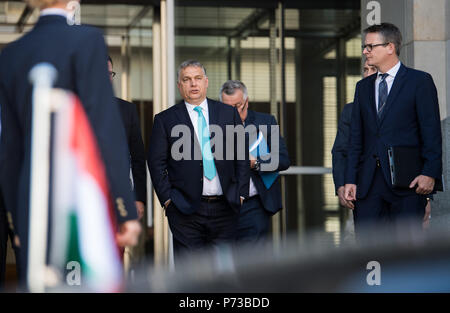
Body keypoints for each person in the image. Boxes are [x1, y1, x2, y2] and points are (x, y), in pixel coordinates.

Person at [0, 0, 141, 284]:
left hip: (30, 199)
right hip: (82, 192)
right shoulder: (87, 41)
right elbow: (106, 131)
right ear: (73, 2)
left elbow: (9, 152)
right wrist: (124, 208)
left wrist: (16, 219)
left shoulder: (11, 54)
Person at [344, 23, 442, 235]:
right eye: (365, 46)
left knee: (404, 256)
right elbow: (356, 138)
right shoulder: (363, 87)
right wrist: (350, 178)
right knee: (369, 254)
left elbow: (431, 131)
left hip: (407, 183)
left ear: (390, 47)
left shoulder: (419, 81)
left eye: (370, 46)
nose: (365, 51)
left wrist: (429, 173)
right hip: (368, 185)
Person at [148, 60, 249, 260]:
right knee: (191, 274)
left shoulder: (227, 113)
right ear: (180, 85)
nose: (193, 84)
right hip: (184, 210)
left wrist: (241, 193)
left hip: (225, 207)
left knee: (223, 272)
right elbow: (156, 162)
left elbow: (241, 156)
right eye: (187, 79)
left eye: (197, 78)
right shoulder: (165, 120)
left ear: (206, 82)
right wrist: (168, 200)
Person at [219, 80, 290, 244]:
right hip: (221, 206)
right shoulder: (212, 125)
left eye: (238, 106)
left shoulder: (265, 122)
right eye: (227, 108)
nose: (233, 113)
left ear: (246, 102)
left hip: (254, 205)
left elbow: (283, 159)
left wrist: (256, 162)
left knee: (251, 263)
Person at [332, 60, 377, 211]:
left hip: (400, 191)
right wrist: (340, 185)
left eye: (373, 69)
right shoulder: (350, 110)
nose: (368, 74)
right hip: (362, 190)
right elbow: (340, 150)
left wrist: (427, 196)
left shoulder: (401, 104)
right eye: (365, 70)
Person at [108, 56, 147, 220]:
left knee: (117, 245)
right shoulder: (76, 107)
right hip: (85, 197)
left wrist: (139, 198)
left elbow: (138, 157)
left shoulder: (127, 110)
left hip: (120, 197)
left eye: (110, 73)